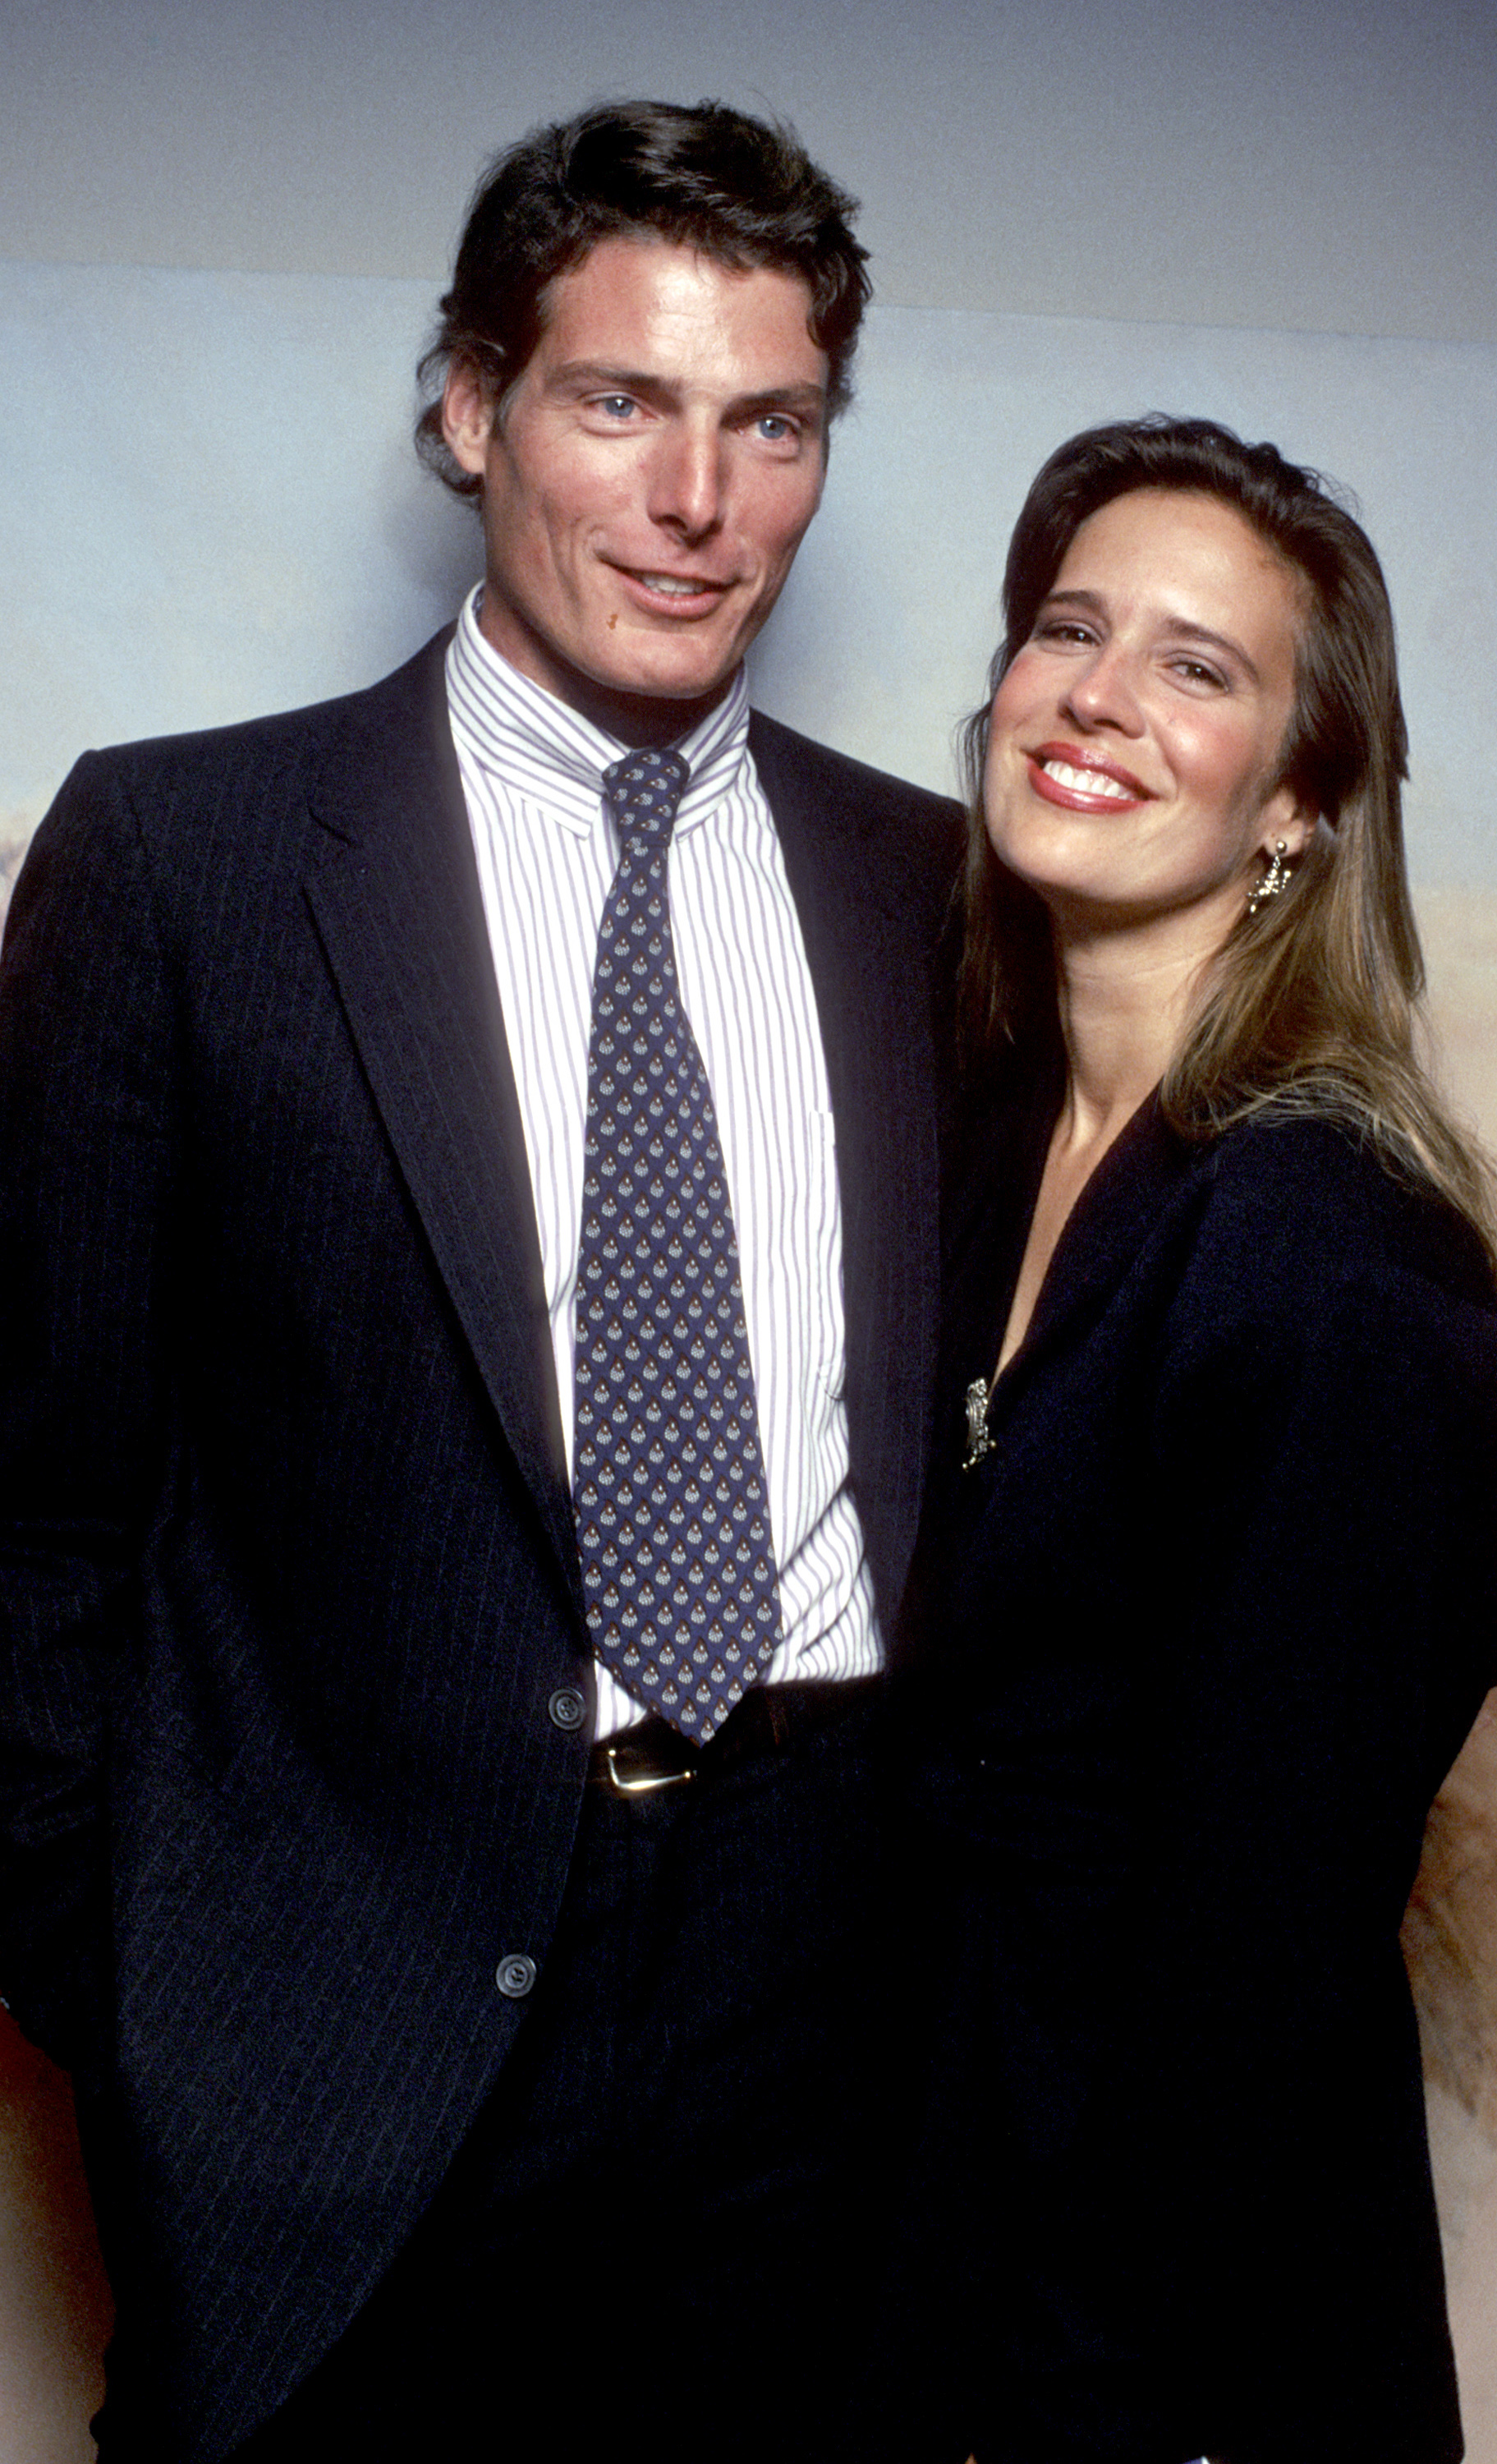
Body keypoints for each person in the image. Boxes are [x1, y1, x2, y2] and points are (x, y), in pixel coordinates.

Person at [0, 100, 961, 2462]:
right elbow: (33, 1502)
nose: (694, 496)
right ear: (468, 408)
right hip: (336, 2008)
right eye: (616, 399)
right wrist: (135, 2003)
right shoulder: (184, 856)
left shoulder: (938, 893)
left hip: (820, 1973)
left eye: (771, 423)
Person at [892, 418, 1497, 2464]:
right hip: (933, 2251)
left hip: (1163, 2351)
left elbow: (1251, 1976)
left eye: (1199, 667)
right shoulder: (982, 1147)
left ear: (1302, 805)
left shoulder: (1333, 1259)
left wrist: (1081, 2383)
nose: (1098, 694)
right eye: (1068, 629)